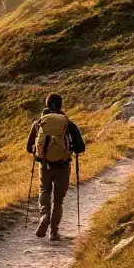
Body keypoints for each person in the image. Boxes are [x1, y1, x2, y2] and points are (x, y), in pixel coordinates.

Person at [26, 93, 86, 241]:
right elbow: (81, 147)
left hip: (44, 166)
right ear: (61, 105)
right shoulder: (68, 123)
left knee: (44, 190)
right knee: (58, 201)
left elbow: (28, 147)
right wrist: (71, 148)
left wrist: (38, 149)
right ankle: (53, 233)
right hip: (63, 167)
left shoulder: (39, 123)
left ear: (47, 105)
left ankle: (44, 214)